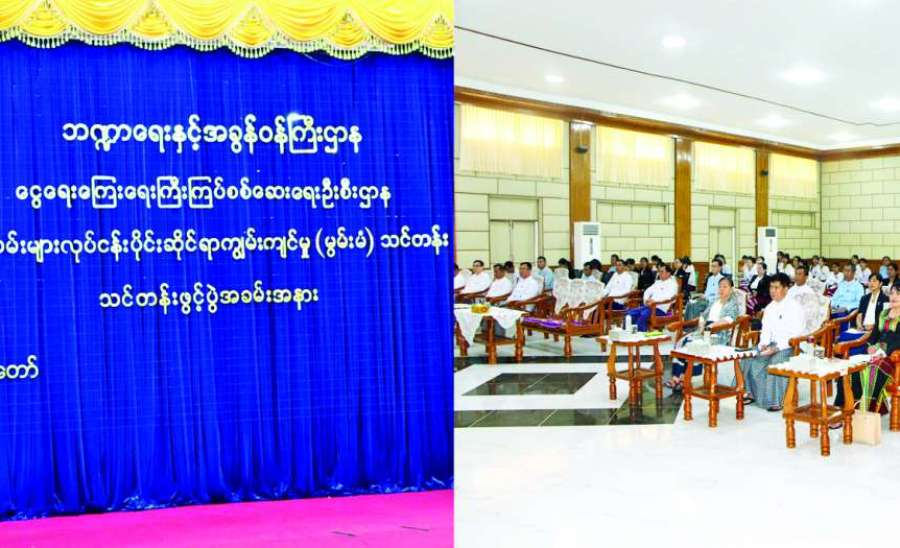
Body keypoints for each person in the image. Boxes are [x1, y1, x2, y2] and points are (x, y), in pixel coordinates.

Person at [739, 273, 805, 411]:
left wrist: (777, 348)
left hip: (790, 346)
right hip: (771, 345)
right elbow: (766, 330)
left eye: (776, 287)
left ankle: (776, 400)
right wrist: (763, 344)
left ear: (786, 289)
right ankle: (751, 393)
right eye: (771, 287)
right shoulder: (769, 307)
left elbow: (796, 334)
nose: (772, 291)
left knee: (775, 361)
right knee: (748, 357)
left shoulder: (795, 307)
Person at [834, 282, 900, 415]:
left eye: (898, 294)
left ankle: (865, 411)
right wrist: (871, 346)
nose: (893, 296)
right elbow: (873, 336)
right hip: (876, 353)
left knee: (872, 369)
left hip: (893, 357)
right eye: (892, 293)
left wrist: (883, 350)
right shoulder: (883, 313)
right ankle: (842, 409)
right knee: (849, 367)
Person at [667, 277, 742, 391]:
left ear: (731, 289)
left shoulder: (732, 303)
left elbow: (728, 320)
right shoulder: (715, 301)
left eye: (725, 287)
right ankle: (677, 377)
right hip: (705, 330)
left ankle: (688, 379)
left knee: (695, 344)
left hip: (719, 333)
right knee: (683, 341)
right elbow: (703, 315)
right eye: (720, 287)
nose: (721, 289)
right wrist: (702, 324)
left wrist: (710, 327)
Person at [625, 264, 679, 331]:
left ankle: (641, 334)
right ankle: (628, 332)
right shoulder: (657, 282)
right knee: (630, 313)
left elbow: (669, 298)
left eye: (662, 271)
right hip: (649, 306)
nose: (659, 273)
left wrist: (654, 301)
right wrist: (646, 300)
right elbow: (647, 291)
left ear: (668, 273)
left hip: (660, 309)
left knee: (643, 314)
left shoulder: (673, 284)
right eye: (659, 271)